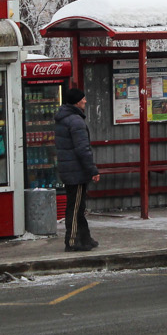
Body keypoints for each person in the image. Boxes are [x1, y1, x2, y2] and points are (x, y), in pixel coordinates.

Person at [54, 87, 100, 252]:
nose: (85, 101)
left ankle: (85, 238)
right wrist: (93, 170)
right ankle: (72, 240)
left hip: (69, 168)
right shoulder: (75, 121)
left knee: (78, 206)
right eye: (83, 99)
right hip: (76, 171)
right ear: (77, 101)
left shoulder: (64, 118)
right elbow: (83, 149)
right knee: (75, 208)